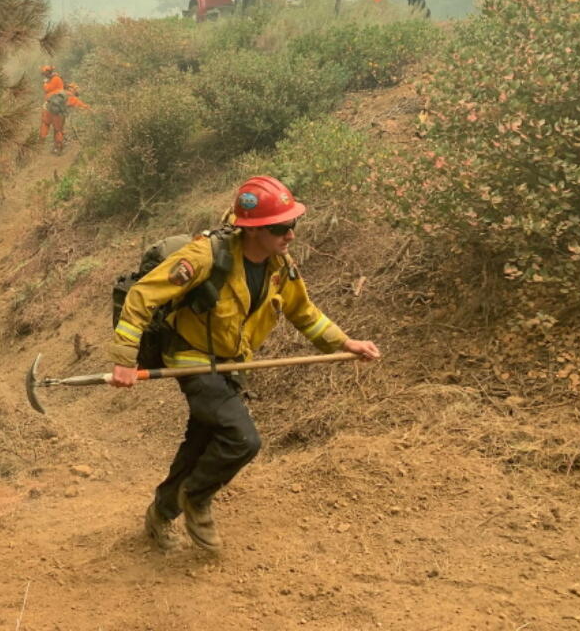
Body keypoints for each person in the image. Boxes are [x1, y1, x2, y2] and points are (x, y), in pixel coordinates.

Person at [109, 176, 381, 553]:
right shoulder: (206, 256)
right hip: (192, 359)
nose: (290, 235)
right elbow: (141, 296)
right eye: (281, 228)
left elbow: (304, 313)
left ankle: (160, 513)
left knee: (201, 443)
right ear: (253, 230)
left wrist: (345, 341)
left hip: (231, 363)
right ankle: (197, 500)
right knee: (242, 440)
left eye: (293, 224)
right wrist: (124, 359)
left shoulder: (279, 266)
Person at [38, 64, 68, 155]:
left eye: (44, 73)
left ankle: (41, 145)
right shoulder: (58, 78)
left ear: (47, 72)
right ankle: (58, 147)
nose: (44, 75)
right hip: (59, 106)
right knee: (58, 128)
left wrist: (45, 83)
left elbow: (47, 89)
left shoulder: (53, 79)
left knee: (46, 124)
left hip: (52, 106)